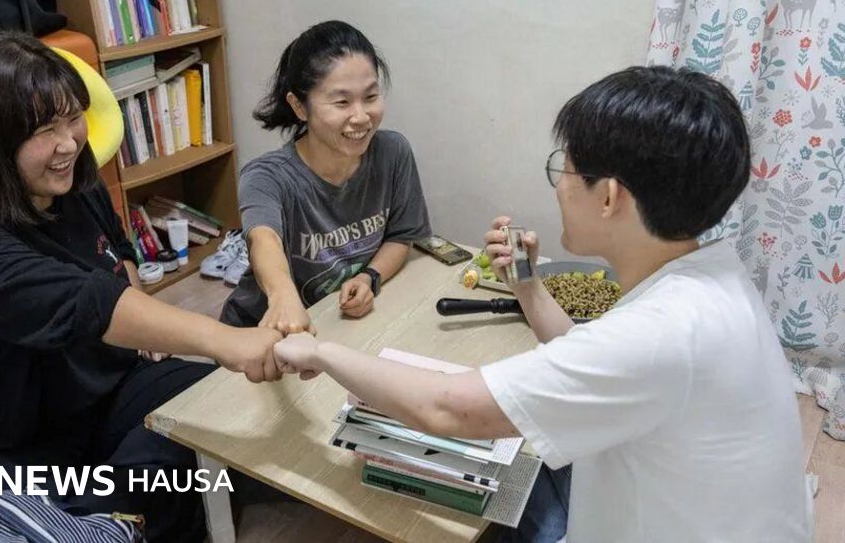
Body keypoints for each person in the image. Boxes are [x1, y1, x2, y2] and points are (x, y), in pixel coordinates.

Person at [274, 66, 812, 542]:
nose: (558, 186)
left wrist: (321, 353)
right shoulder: (711, 277)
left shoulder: (657, 335)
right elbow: (594, 360)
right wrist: (526, 284)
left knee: (491, 474)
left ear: (609, 196)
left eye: (566, 169)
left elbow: (447, 408)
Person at [0, 32, 283, 542]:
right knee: (125, 497)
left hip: (103, 394)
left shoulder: (70, 175)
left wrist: (145, 323)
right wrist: (226, 340)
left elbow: (116, 253)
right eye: (44, 130)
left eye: (72, 118)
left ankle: (132, 513)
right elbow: (81, 302)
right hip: (3, 448)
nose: (69, 143)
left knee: (218, 407)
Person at [219, 20, 431, 333]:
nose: (361, 117)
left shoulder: (393, 152)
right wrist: (282, 295)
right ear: (299, 106)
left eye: (371, 97)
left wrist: (368, 277)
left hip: (335, 322)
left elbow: (401, 236)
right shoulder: (267, 177)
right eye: (342, 102)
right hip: (259, 330)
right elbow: (263, 239)